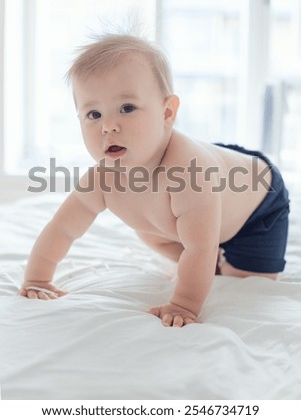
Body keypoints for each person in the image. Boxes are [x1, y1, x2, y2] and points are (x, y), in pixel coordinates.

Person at [19, 33, 290, 327]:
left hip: (257, 202)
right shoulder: (102, 178)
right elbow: (62, 229)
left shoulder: (190, 170)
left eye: (127, 108)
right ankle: (204, 267)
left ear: (167, 112)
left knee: (243, 279)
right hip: (197, 208)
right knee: (149, 230)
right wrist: (37, 279)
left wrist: (183, 305)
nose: (108, 126)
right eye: (93, 114)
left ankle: (220, 265)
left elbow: (201, 247)